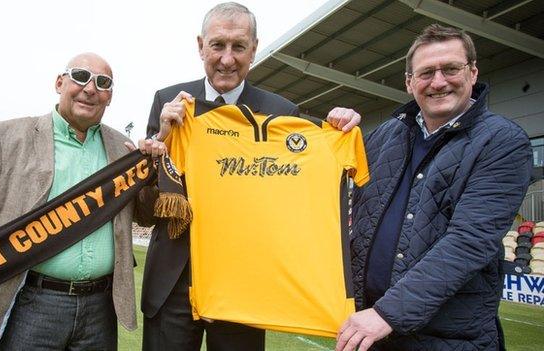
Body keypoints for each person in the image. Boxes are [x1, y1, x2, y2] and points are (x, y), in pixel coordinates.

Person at [135, 3, 361, 351]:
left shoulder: (283, 112)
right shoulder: (169, 102)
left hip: (245, 287)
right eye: (218, 45)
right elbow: (146, 205)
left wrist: (339, 129)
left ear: (254, 49)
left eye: (238, 46)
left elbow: (291, 205)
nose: (227, 59)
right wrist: (161, 139)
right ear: (200, 46)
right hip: (174, 282)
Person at [335, 24, 533, 351]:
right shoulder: (384, 136)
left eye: (450, 69)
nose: (438, 82)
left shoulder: (502, 142)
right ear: (409, 82)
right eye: (426, 72)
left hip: (445, 340)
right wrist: (338, 134)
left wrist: (388, 313)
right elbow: (334, 195)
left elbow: (470, 242)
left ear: (472, 72)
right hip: (369, 331)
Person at [0, 53, 139, 350]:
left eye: (103, 83)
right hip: (31, 302)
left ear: (110, 96)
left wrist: (156, 164)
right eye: (80, 76)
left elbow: (147, 214)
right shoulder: (7, 137)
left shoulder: (125, 149)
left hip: (101, 309)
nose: (90, 88)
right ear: (59, 82)